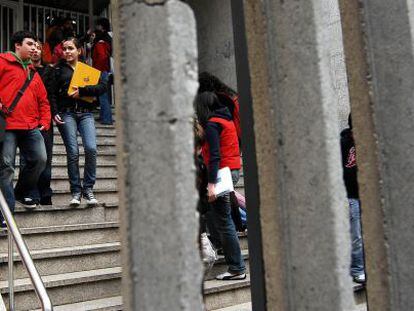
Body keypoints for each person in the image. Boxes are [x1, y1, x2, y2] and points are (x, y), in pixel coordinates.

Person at [194, 92, 246, 280]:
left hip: (221, 174)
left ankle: (237, 268)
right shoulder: (226, 119)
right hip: (231, 171)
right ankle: (220, 246)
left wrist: (211, 184)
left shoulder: (213, 124)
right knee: (218, 216)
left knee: (224, 221)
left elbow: (214, 155)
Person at [51, 37, 107, 206]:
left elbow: (102, 87)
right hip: (67, 114)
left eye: (70, 48)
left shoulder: (87, 70)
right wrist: (54, 112)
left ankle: (88, 189)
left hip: (86, 114)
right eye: (65, 49)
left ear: (79, 51)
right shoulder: (58, 70)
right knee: (73, 152)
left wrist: (82, 91)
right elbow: (52, 94)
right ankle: (76, 191)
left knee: (91, 148)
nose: (67, 52)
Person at [0, 31, 51, 217]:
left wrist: (44, 121)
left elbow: (44, 101)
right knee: (6, 167)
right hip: (7, 125)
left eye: (35, 45)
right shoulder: (2, 62)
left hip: (31, 126)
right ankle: (6, 214)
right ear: (17, 45)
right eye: (30, 44)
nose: (34, 48)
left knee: (40, 160)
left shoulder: (33, 72)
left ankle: (20, 192)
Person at [17, 41, 56, 205]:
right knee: (28, 159)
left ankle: (45, 192)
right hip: (26, 119)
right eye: (32, 48)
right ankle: (30, 191)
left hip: (44, 118)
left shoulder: (49, 71)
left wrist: (51, 116)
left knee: (45, 158)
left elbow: (51, 96)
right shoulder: (20, 69)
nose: (35, 51)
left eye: (39, 48)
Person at [340, 115, 366, 284]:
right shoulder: (344, 144)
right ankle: (357, 269)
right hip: (351, 196)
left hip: (366, 195)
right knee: (356, 235)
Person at [91, 18, 113, 125]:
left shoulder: (100, 41)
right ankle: (104, 116)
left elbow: (102, 57)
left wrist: (97, 72)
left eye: (97, 25)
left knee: (103, 95)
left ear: (101, 27)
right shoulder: (107, 38)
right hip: (104, 70)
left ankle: (107, 119)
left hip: (101, 71)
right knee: (103, 94)